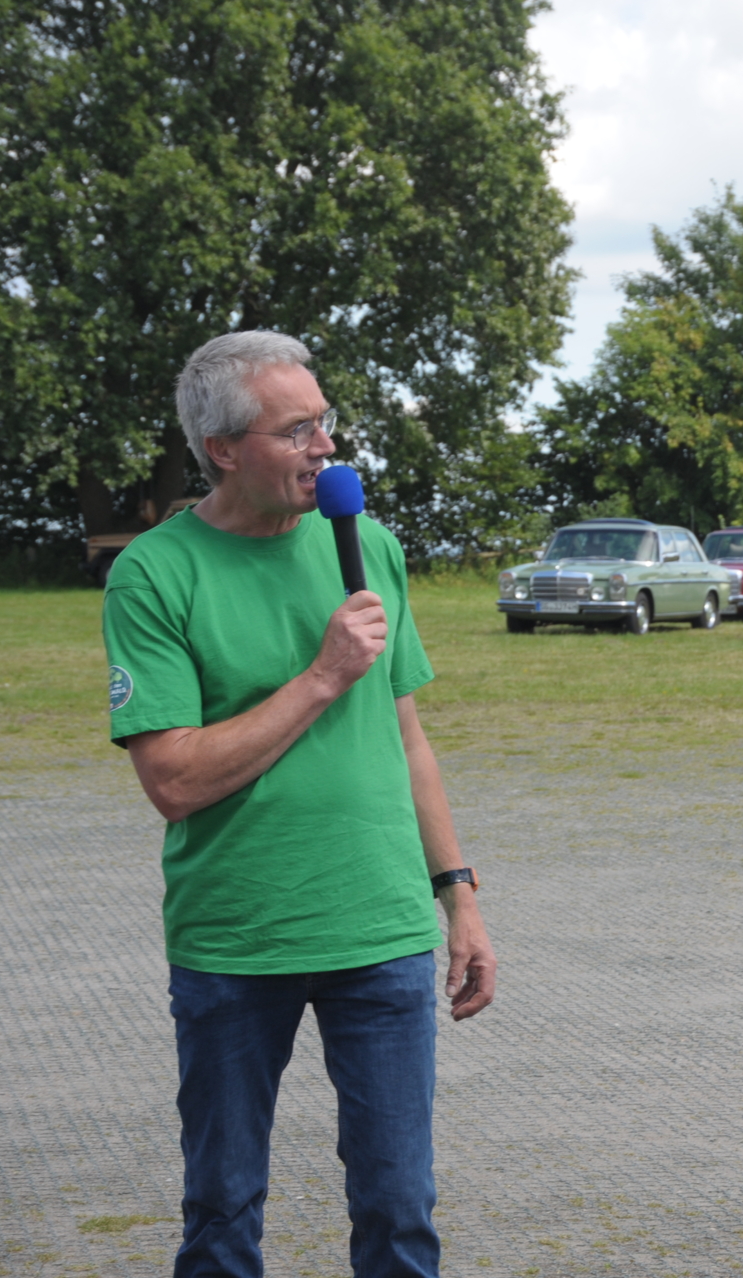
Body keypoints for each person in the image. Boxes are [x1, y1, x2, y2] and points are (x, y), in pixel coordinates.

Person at [101, 331, 496, 1278]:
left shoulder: (372, 549)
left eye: (326, 422)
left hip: (384, 932)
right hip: (236, 943)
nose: (328, 447)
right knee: (223, 1213)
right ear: (224, 450)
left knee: (401, 1211)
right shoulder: (155, 574)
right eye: (297, 430)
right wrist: (322, 677)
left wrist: (460, 895)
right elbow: (175, 780)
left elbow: (408, 742)